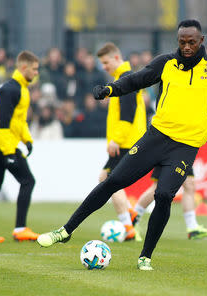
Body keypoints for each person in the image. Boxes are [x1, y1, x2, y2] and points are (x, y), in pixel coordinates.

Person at [37, 19, 207, 271]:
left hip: (185, 147)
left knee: (163, 195)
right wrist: (111, 89)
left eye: (191, 42)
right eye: (182, 42)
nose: (186, 47)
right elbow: (136, 80)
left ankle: (145, 257)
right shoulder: (166, 63)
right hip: (156, 138)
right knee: (112, 181)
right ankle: (65, 231)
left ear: (201, 41)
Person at [0, 51, 40, 243]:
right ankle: (20, 228)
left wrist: (27, 139)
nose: (36, 72)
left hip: (0, 144)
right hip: (3, 145)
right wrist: (8, 153)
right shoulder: (10, 89)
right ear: (24, 67)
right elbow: (2, 123)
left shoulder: (20, 89)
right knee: (28, 181)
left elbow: (19, 121)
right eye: (34, 68)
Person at [92, 42, 146, 240]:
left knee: (107, 181)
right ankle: (129, 220)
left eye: (106, 62)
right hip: (126, 141)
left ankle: (129, 223)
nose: (104, 67)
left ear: (116, 58)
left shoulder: (126, 80)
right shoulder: (123, 79)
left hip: (126, 142)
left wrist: (116, 139)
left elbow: (127, 115)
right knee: (107, 180)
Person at [133, 167, 207, 240]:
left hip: (185, 152)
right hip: (169, 150)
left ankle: (193, 228)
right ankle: (132, 222)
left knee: (189, 185)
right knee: (157, 186)